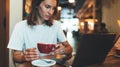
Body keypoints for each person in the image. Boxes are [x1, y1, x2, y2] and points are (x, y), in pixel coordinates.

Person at [7, 0, 73, 67]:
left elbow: (69, 48)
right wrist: (24, 56)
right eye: (47, 7)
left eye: (53, 8)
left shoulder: (56, 25)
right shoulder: (20, 26)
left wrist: (63, 50)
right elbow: (15, 56)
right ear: (37, 5)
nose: (51, 12)